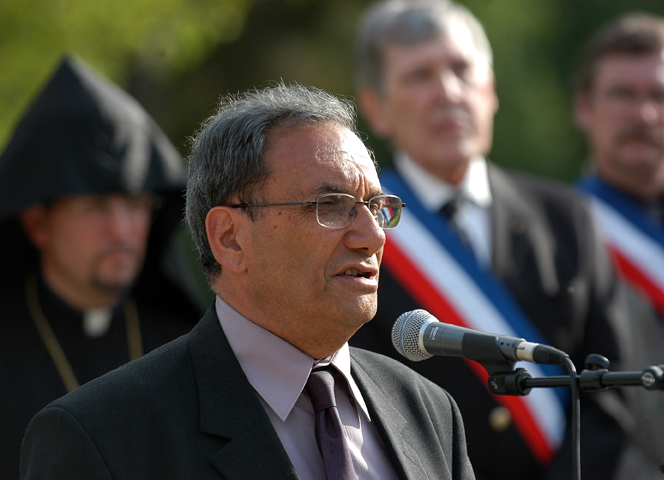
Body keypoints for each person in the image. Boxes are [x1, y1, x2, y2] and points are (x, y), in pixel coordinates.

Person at [19, 83, 476, 479]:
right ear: (230, 238)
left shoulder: (430, 412)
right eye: (332, 205)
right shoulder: (104, 436)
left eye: (378, 207)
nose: (372, 235)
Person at [349, 1, 629, 479]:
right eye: (420, 76)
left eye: (462, 69)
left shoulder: (566, 218)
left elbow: (615, 399)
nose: (448, 92)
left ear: (491, 89)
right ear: (376, 107)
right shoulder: (356, 233)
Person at [0, 56, 203, 479]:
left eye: (135, 205)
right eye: (95, 208)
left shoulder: (189, 349)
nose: (122, 230)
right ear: (38, 224)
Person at [574, 13, 664, 480]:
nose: (643, 114)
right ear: (584, 107)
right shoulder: (546, 239)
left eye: (661, 95)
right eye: (623, 94)